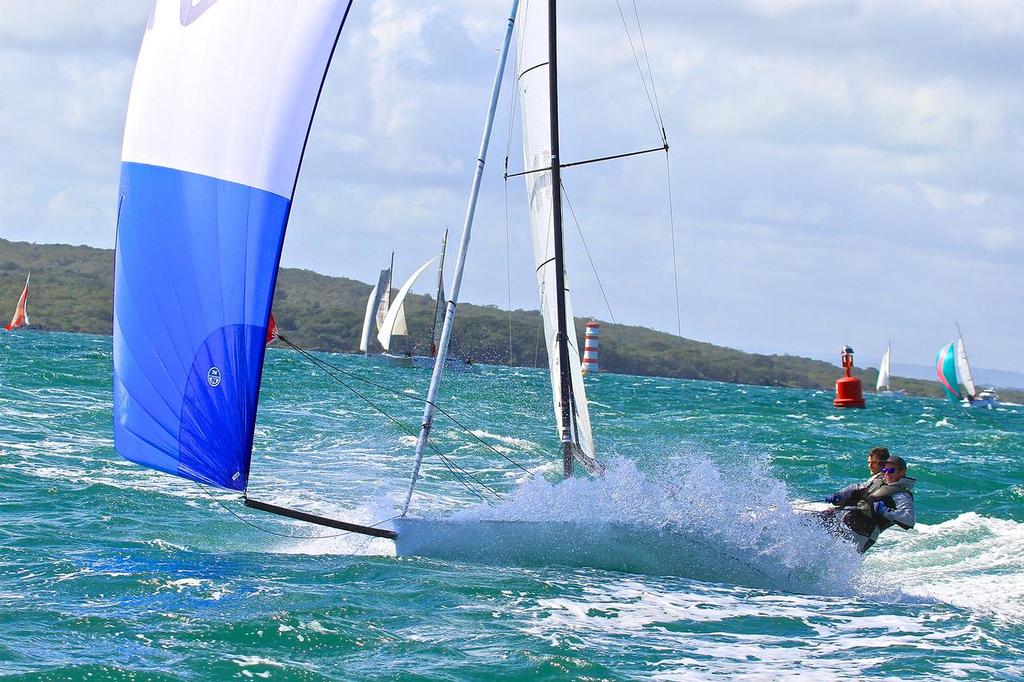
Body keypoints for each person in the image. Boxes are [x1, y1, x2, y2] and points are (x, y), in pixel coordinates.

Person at [824, 455, 916, 553]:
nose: (887, 473)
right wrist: (839, 495)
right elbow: (856, 488)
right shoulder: (877, 482)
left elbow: (909, 520)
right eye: (885, 470)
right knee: (808, 522)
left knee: (833, 554)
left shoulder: (901, 495)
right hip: (843, 520)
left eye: (892, 470)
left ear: (902, 472)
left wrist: (884, 511)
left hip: (862, 534)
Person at [825, 446, 889, 505]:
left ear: (883, 463)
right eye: (869, 462)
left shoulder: (885, 478)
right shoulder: (879, 477)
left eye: (874, 462)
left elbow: (859, 488)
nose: (870, 466)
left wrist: (840, 495)